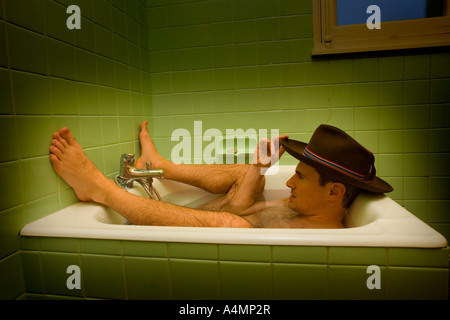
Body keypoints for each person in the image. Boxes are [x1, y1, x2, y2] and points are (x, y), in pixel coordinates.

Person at [49, 121, 393, 229]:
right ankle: (157, 164)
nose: (288, 181)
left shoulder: (323, 238)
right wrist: (258, 168)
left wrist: (235, 214)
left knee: (234, 227)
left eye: (299, 177)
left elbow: (237, 219)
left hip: (218, 225)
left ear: (334, 192)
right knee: (245, 174)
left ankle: (101, 191)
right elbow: (241, 209)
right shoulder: (305, 211)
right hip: (218, 213)